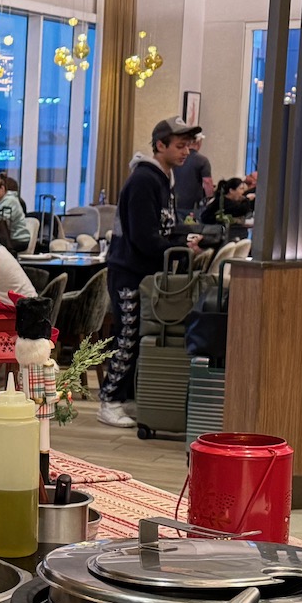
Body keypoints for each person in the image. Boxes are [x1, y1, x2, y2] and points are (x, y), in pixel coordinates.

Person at [97, 117, 201, 428]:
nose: (186, 152)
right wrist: (178, 245)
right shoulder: (144, 180)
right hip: (129, 271)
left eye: (188, 146)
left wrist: (184, 238)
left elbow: (162, 228)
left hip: (143, 273)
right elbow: (144, 236)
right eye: (180, 146)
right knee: (127, 336)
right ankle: (109, 400)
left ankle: (123, 398)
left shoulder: (163, 178)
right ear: (160, 145)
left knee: (135, 336)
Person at [0, 174, 30, 252]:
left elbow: (0, 221)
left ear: (2, 189)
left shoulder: (11, 200)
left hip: (16, 239)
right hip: (2, 237)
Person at [173, 133, 213, 218]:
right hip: (193, 205)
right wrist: (210, 200)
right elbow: (207, 182)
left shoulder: (176, 158)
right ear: (198, 143)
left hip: (175, 203)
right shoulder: (202, 160)